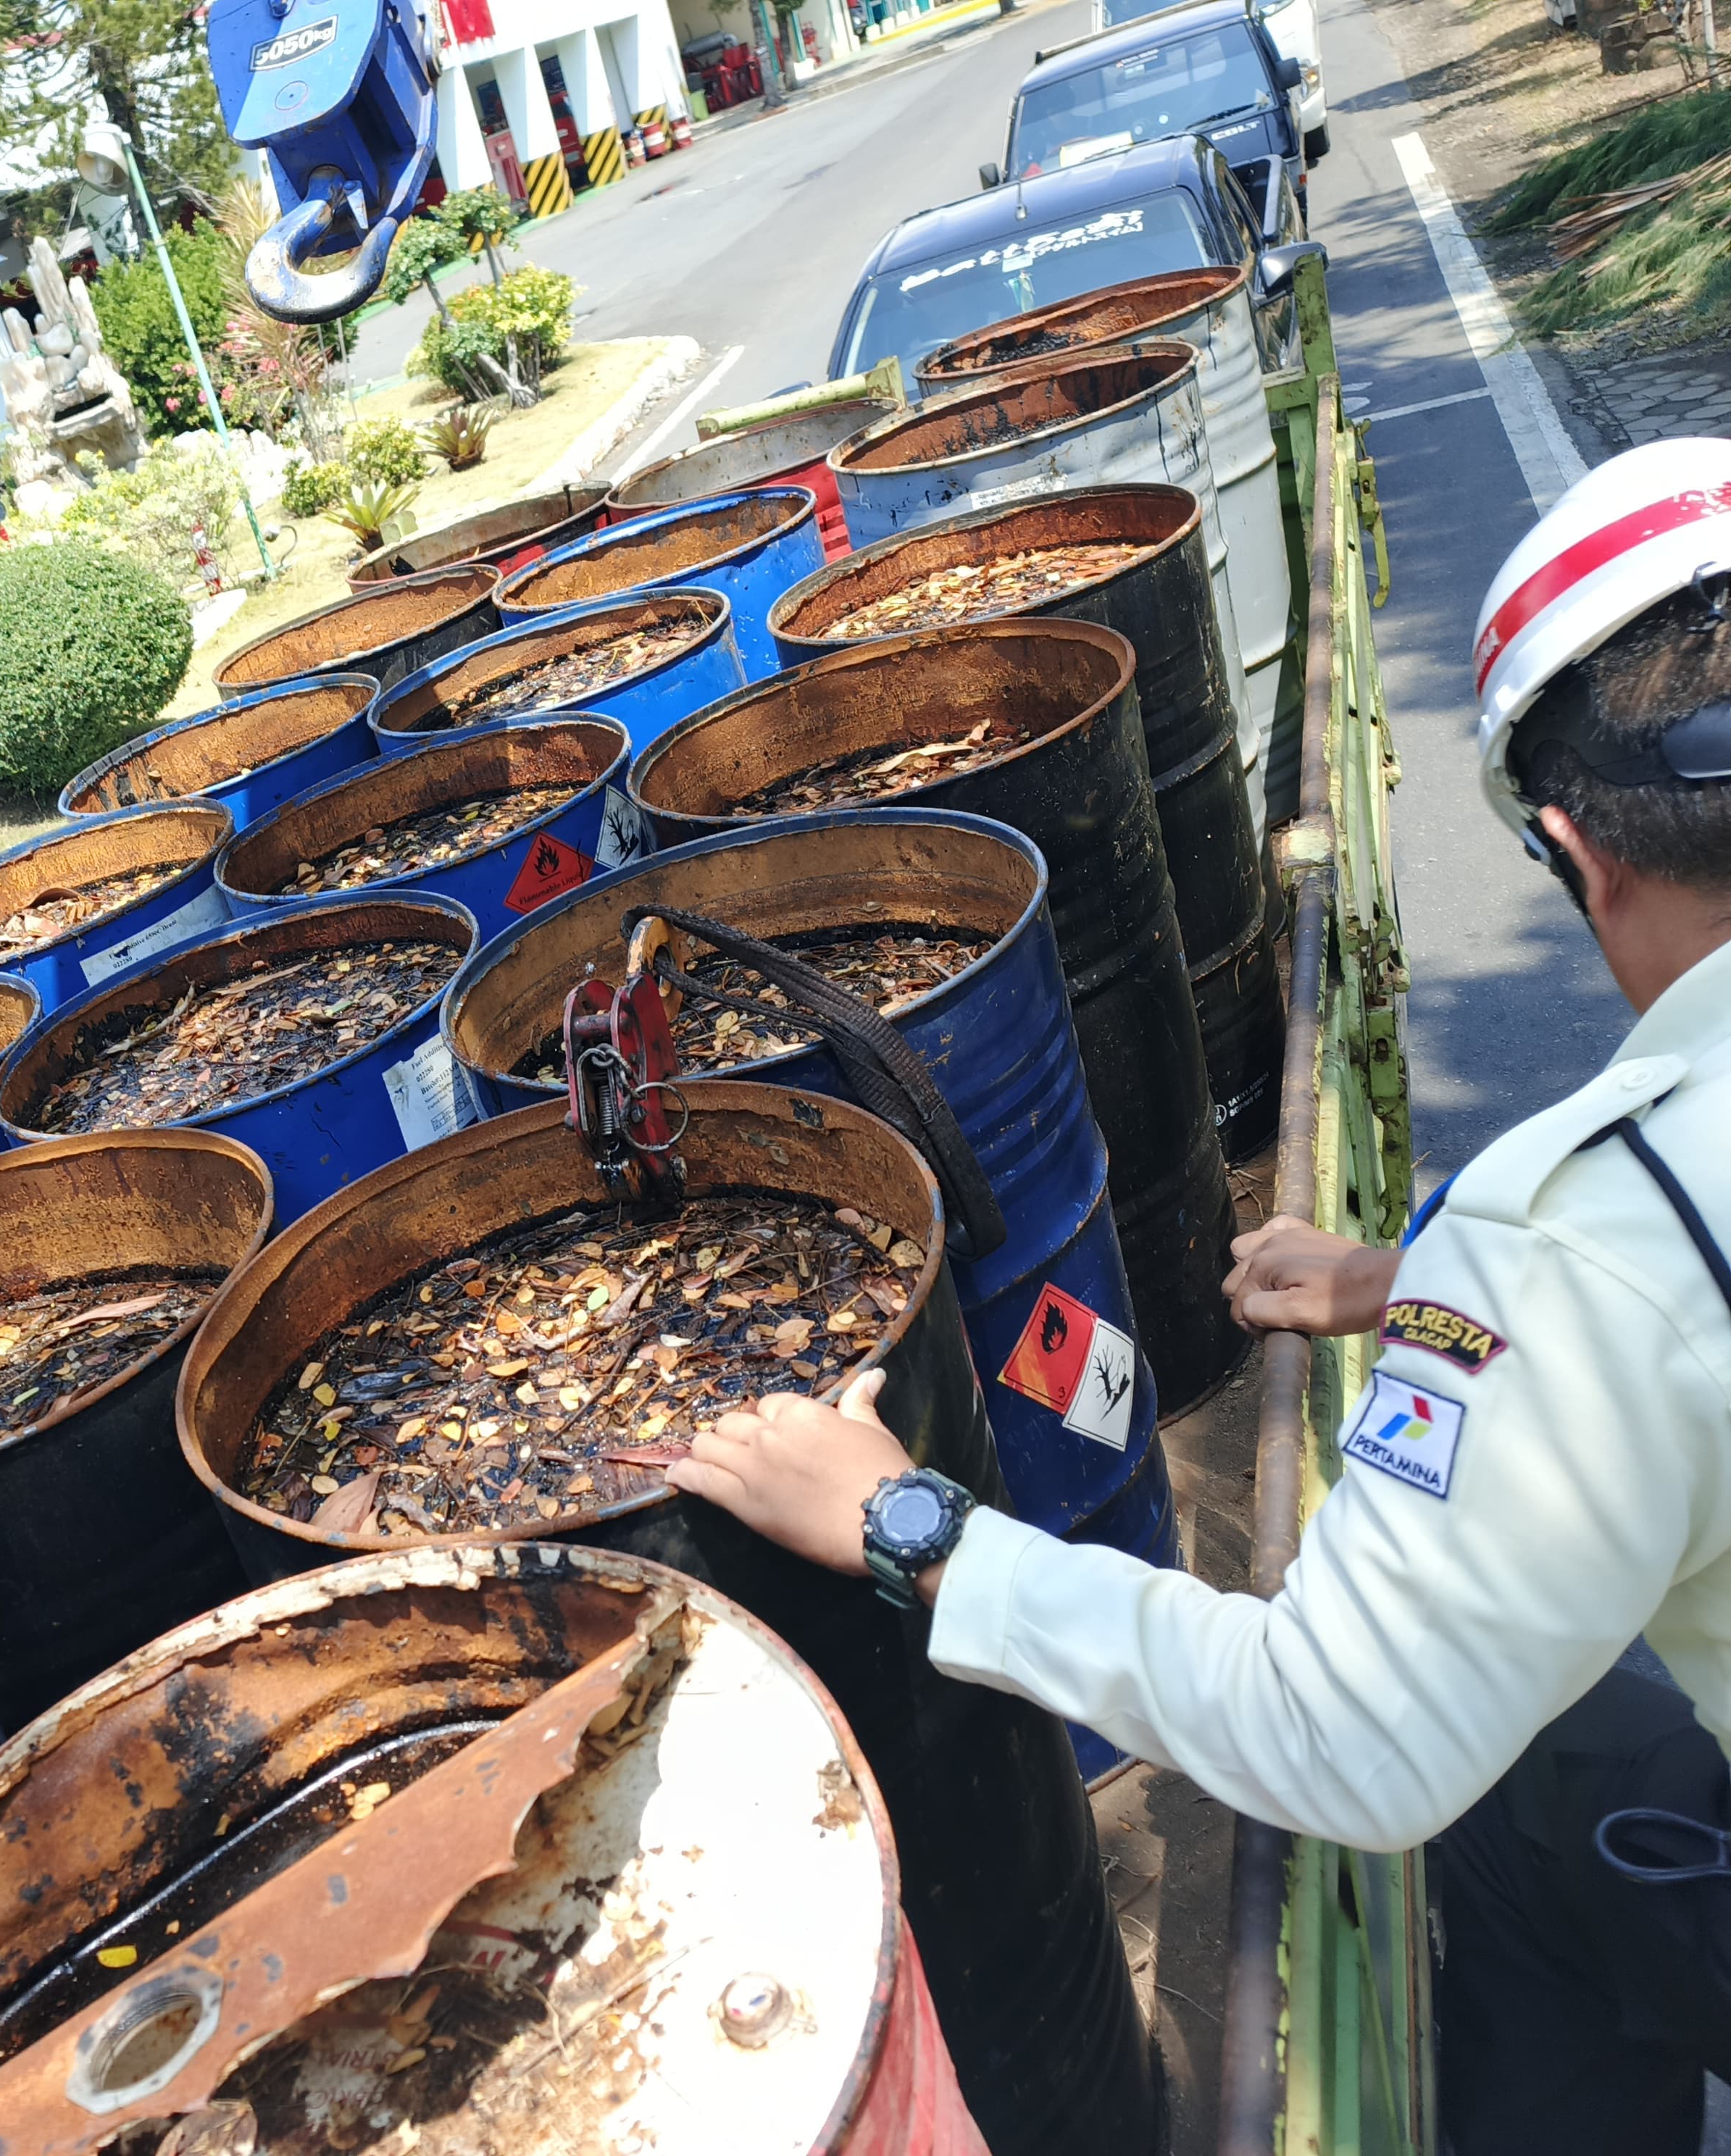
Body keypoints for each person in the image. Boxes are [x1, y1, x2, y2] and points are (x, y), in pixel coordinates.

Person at [667, 438, 1731, 2156]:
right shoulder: (1601, 1245)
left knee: (1496, 1783)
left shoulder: (1586, 1237)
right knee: (1565, 1732)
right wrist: (1423, 1289)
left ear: (1574, 852)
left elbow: (1343, 1733)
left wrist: (915, 1528)